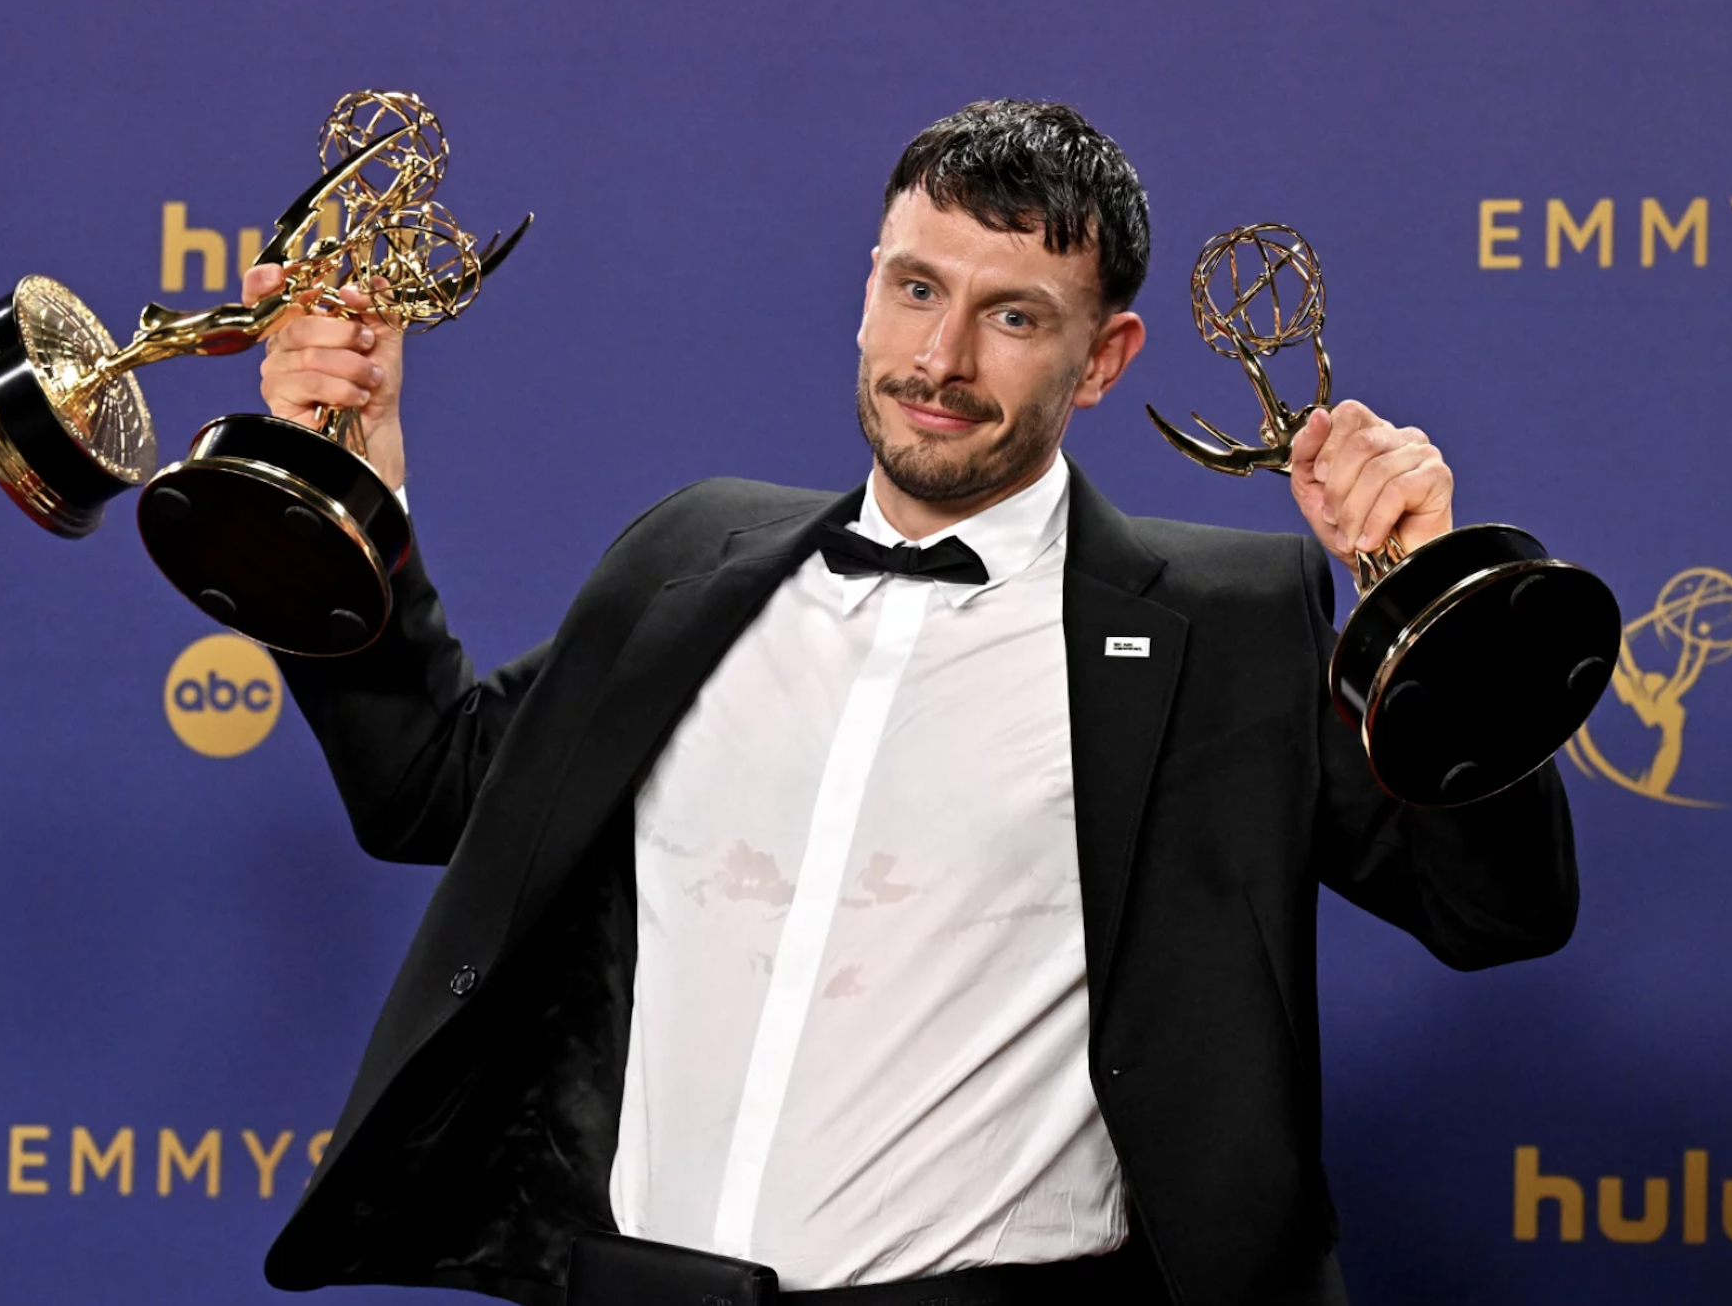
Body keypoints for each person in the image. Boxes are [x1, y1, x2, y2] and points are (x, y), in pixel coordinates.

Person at [243, 100, 1577, 1306]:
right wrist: (342, 491)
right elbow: (427, 787)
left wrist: (1435, 604)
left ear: (1104, 357)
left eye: (1012, 316)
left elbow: (1497, 910)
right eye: (914, 287)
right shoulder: (686, 557)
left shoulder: (1223, 627)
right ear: (868, 287)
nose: (938, 359)